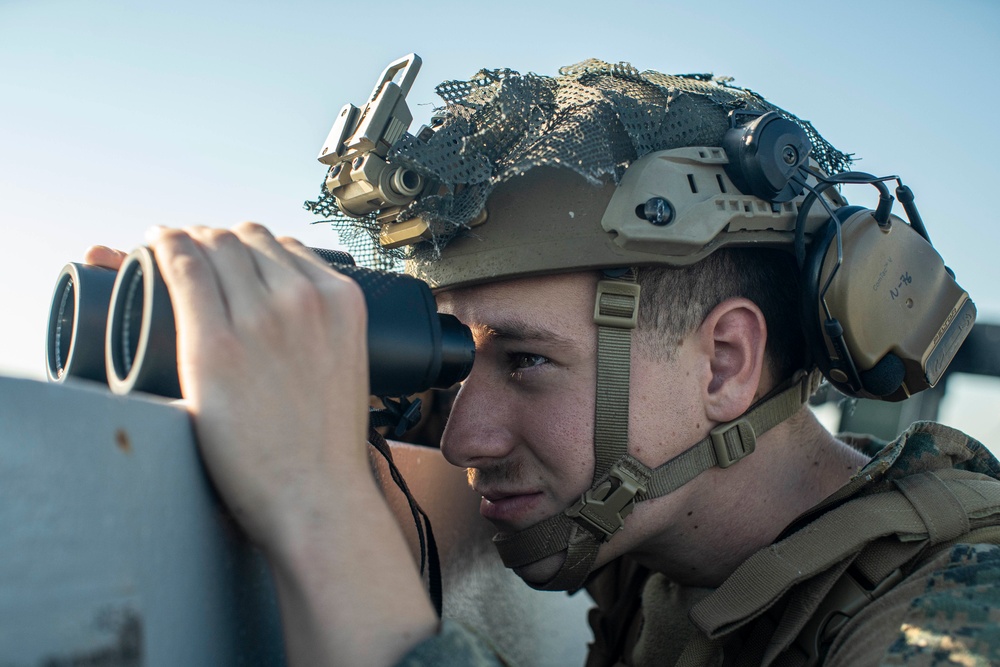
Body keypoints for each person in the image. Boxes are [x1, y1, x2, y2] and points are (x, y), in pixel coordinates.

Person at [87, 58, 1000, 665]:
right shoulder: (645, 524)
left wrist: (315, 501)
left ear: (723, 362)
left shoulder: (947, 619)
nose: (465, 435)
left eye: (524, 360)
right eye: (460, 358)